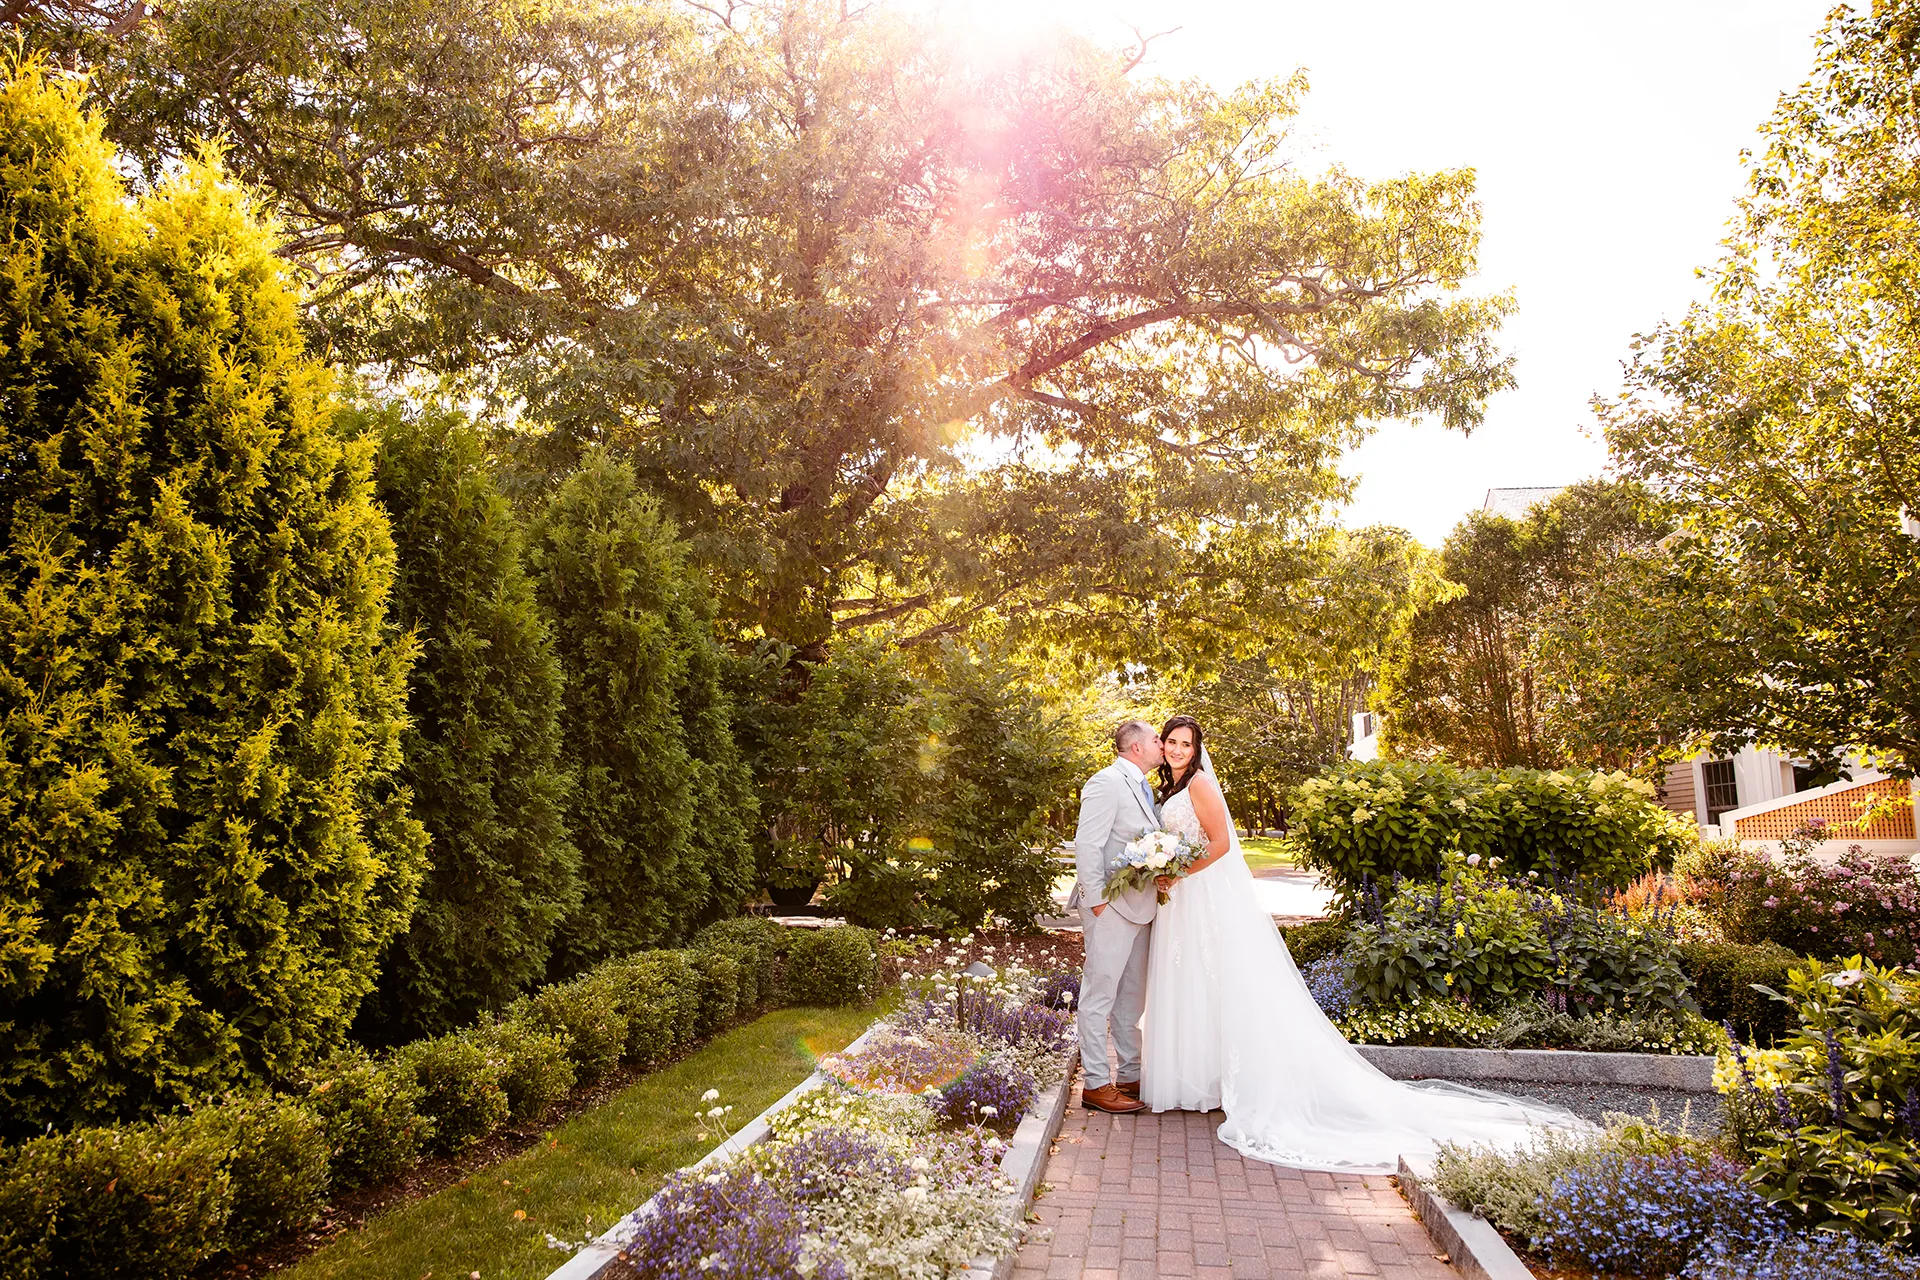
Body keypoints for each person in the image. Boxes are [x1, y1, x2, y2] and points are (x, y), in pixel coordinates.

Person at [1140, 713, 1588, 1172]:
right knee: (1193, 982)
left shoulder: (1200, 786)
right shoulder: (1169, 788)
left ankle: (1230, 1082)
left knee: (1220, 982)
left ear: (1197, 750)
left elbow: (1221, 845)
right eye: (1171, 742)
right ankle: (1197, 1081)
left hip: (1202, 896)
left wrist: (1176, 872)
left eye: (1185, 744)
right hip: (1180, 901)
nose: (1177, 750)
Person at [1069, 718, 1163, 1114]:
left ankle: (1129, 1075)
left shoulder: (1145, 787)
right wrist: (1096, 902)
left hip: (1140, 908)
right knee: (1099, 995)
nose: (1164, 745)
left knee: (1130, 999)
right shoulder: (1105, 782)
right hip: (1108, 906)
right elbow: (1087, 843)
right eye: (1158, 739)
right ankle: (1095, 1084)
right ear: (1137, 747)